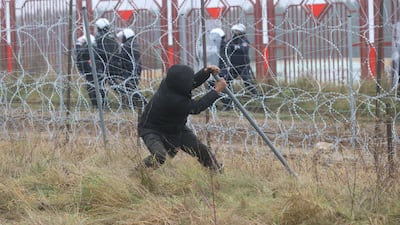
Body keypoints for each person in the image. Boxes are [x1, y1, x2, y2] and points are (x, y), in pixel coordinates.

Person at [138, 64, 226, 172]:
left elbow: (190, 83)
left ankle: (216, 171)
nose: (192, 81)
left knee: (201, 150)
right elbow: (197, 107)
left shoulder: (169, 84)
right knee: (160, 156)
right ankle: (138, 173)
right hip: (152, 129)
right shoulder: (174, 100)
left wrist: (205, 72)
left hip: (175, 128)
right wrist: (216, 91)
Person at [225, 23, 259, 110]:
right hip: (233, 66)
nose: (235, 33)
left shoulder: (244, 41)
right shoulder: (231, 41)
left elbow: (243, 49)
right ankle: (228, 103)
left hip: (243, 66)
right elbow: (227, 48)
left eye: (237, 31)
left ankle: (258, 98)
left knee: (248, 82)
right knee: (226, 83)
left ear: (241, 32)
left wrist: (236, 47)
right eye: (234, 31)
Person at [116, 28, 147, 111]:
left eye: (123, 37)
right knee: (131, 87)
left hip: (130, 70)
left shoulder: (127, 46)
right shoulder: (133, 44)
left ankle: (144, 103)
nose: (121, 39)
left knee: (131, 88)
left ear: (126, 36)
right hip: (135, 69)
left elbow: (122, 58)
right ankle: (135, 104)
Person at [93, 18, 121, 107]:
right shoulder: (112, 37)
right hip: (113, 65)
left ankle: (102, 104)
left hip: (102, 65)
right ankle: (127, 98)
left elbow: (99, 52)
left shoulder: (100, 38)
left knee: (100, 85)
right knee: (114, 84)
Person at [74, 34, 105, 108]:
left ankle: (98, 105)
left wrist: (78, 45)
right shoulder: (94, 48)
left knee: (92, 88)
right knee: (97, 88)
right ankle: (100, 104)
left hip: (92, 72)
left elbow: (79, 55)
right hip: (95, 71)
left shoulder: (89, 49)